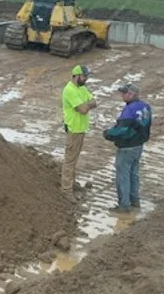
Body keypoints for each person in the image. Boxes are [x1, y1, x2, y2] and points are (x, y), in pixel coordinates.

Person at [103, 81, 152, 213]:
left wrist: (108, 134)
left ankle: (124, 205)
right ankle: (135, 200)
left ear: (131, 94)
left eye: (124, 93)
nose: (122, 95)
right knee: (134, 174)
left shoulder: (130, 109)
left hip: (127, 147)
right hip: (138, 145)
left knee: (123, 176)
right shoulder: (145, 107)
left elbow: (122, 129)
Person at [61, 64, 97, 196]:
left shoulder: (82, 88)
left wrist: (86, 105)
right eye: (84, 76)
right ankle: (66, 189)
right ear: (76, 76)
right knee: (69, 160)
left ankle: (71, 183)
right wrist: (86, 106)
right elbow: (83, 109)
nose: (86, 78)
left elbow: (94, 102)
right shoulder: (70, 90)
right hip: (74, 130)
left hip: (81, 129)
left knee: (74, 159)